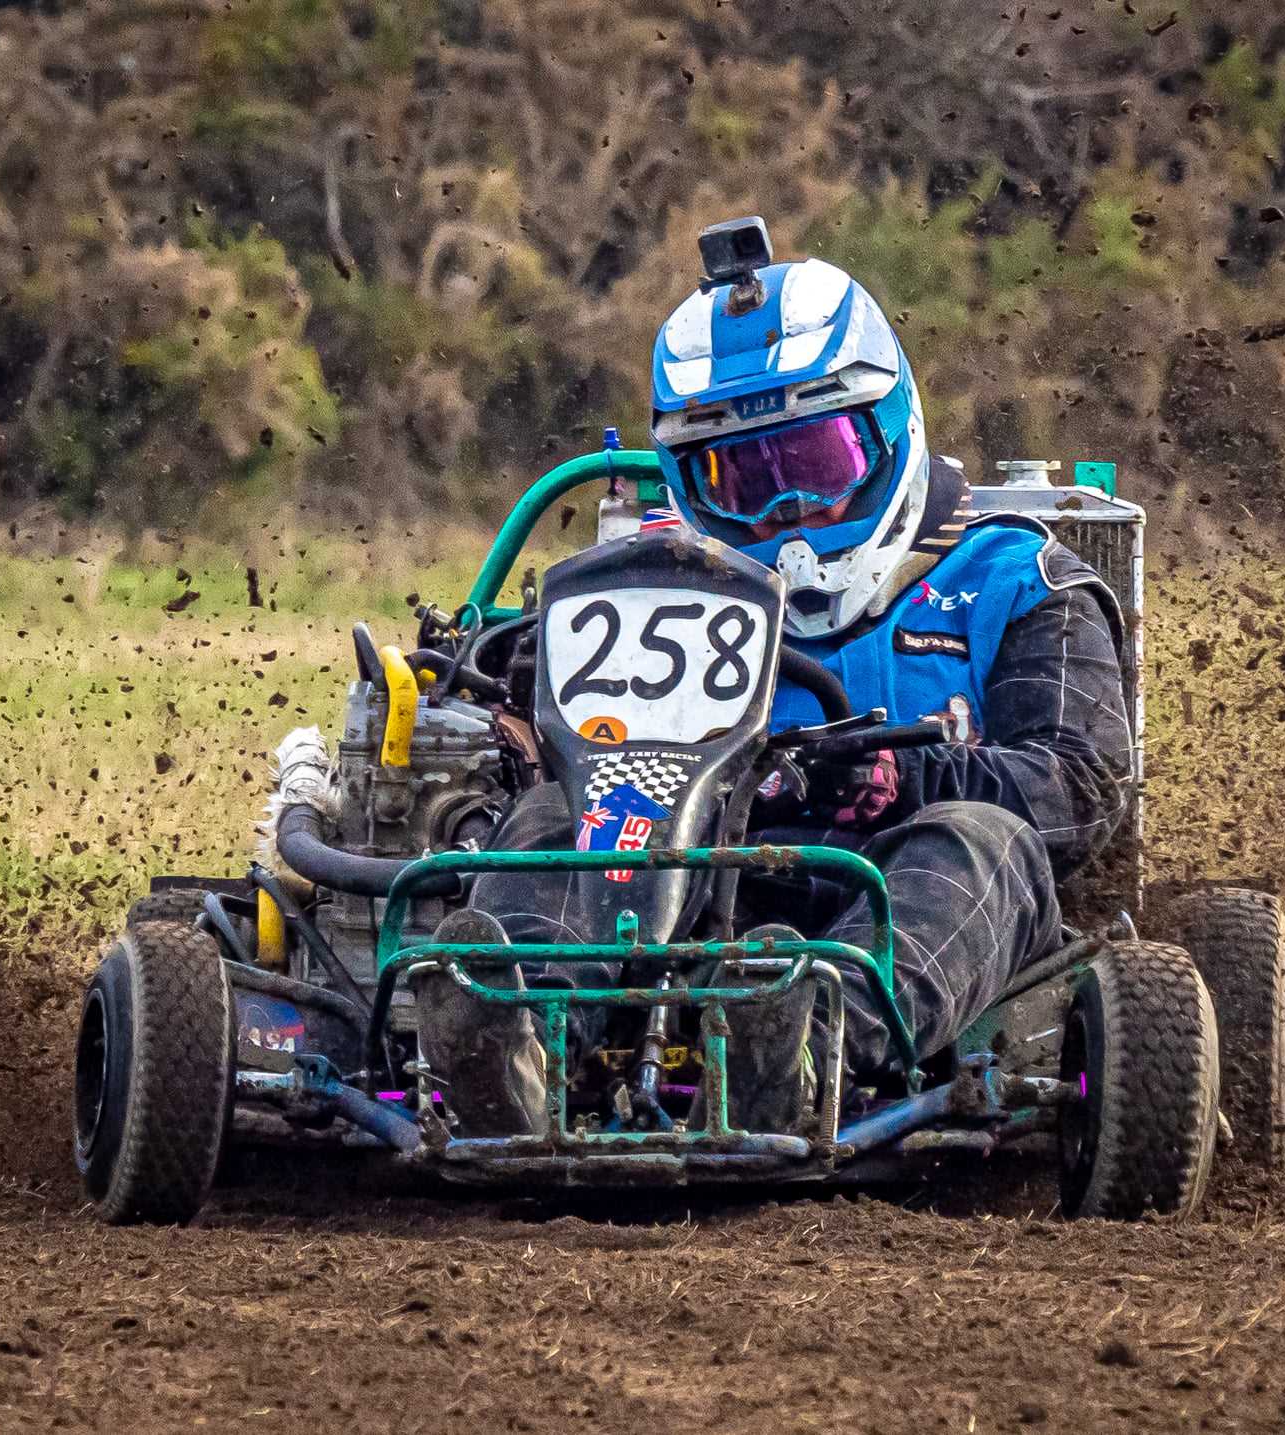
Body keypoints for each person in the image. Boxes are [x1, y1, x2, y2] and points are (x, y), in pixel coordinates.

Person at [415, 225, 1135, 1137]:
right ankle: (523, 1039)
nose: (785, 509)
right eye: (739, 478)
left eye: (815, 462)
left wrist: (903, 782)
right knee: (559, 821)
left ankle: (804, 1042)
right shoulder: (651, 590)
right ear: (688, 481)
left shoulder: (1012, 577)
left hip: (891, 885)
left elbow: (1081, 788)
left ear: (887, 427)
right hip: (673, 883)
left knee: (982, 839)